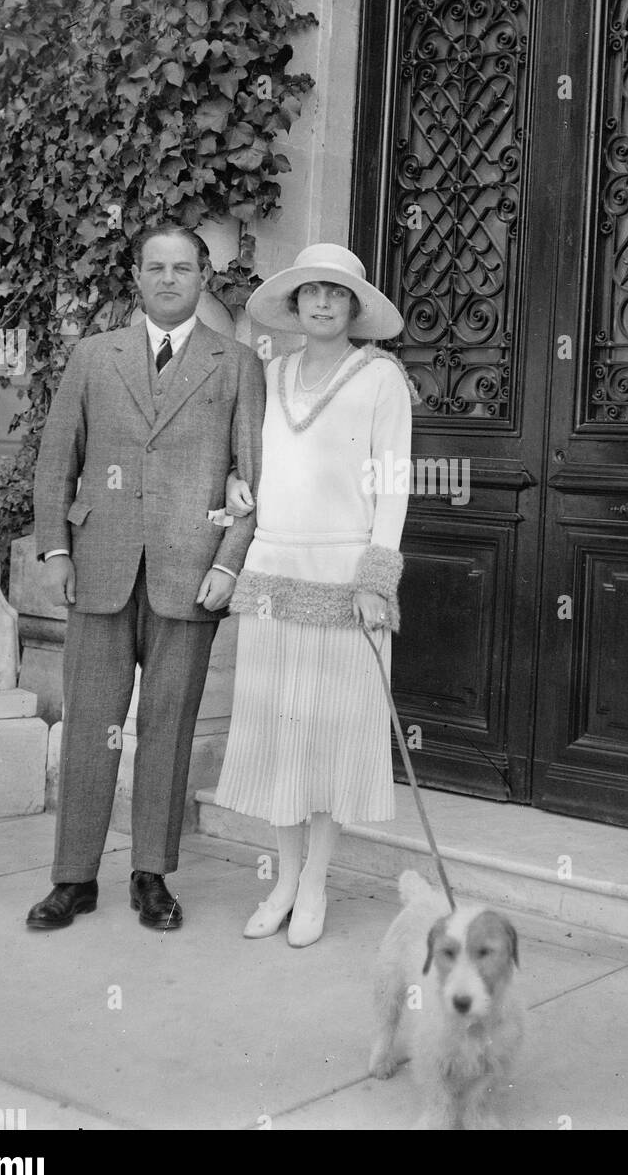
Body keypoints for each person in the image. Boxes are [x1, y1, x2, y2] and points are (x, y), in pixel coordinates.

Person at [26, 224, 265, 931]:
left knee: (167, 727)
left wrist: (228, 562)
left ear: (203, 278)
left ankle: (151, 875)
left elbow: (253, 479)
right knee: (90, 726)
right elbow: (54, 460)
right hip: (99, 568)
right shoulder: (94, 357)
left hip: (190, 576)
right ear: (136, 276)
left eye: (182, 268)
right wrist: (56, 551)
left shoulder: (236, 363)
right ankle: (73, 878)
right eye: (155, 268)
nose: (168, 279)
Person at [215, 243, 415, 947]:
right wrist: (238, 488)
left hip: (344, 579)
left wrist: (374, 579)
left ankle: (316, 884)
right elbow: (258, 462)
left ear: (354, 307)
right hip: (272, 571)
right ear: (294, 307)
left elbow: (393, 484)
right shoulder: (272, 371)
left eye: (336, 294)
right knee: (279, 735)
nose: (323, 305)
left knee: (329, 737)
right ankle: (284, 877)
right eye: (310, 294)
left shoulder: (381, 378)